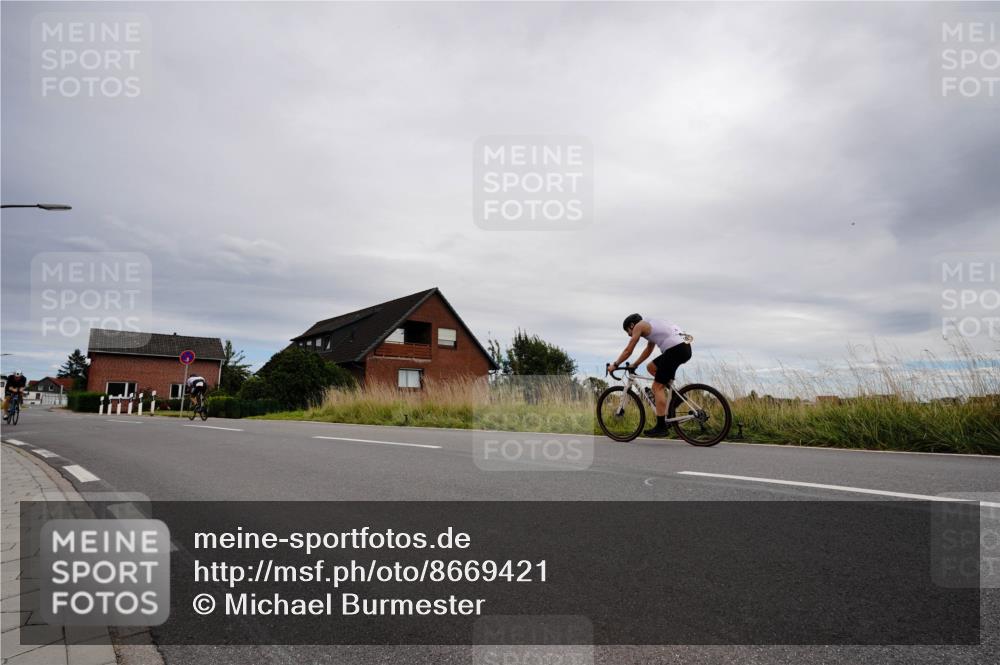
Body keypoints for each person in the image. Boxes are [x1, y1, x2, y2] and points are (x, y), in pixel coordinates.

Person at [610, 314, 692, 438]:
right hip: (684, 347)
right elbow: (648, 349)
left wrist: (615, 364)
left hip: (674, 349)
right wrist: (635, 364)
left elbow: (629, 349)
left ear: (632, 325)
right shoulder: (651, 324)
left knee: (656, 387)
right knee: (651, 367)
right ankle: (675, 396)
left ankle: (661, 427)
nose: (629, 334)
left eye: (628, 331)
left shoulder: (639, 326)